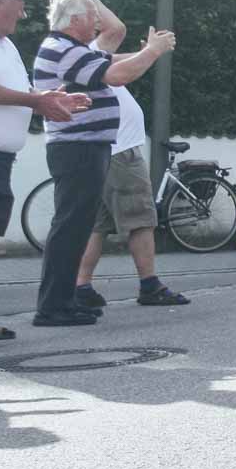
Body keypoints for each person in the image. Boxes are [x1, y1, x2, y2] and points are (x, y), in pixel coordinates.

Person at [30, 0, 176, 326]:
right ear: (75, 20)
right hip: (78, 148)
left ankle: (64, 300)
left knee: (78, 227)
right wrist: (152, 52)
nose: (97, 22)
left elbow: (114, 58)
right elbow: (117, 74)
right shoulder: (64, 50)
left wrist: (147, 53)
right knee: (70, 228)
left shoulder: (72, 49)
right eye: (91, 15)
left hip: (86, 147)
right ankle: (53, 306)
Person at [0, 0, 92, 340]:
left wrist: (50, 99)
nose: (23, 8)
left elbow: (19, 92)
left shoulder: (6, 46)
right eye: (18, 1)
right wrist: (36, 101)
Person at [72, 67, 190, 312]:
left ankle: (80, 287)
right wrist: (152, 50)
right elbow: (114, 34)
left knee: (98, 225)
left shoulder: (83, 58)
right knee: (141, 219)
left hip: (107, 151)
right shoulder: (90, 52)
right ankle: (149, 285)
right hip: (121, 152)